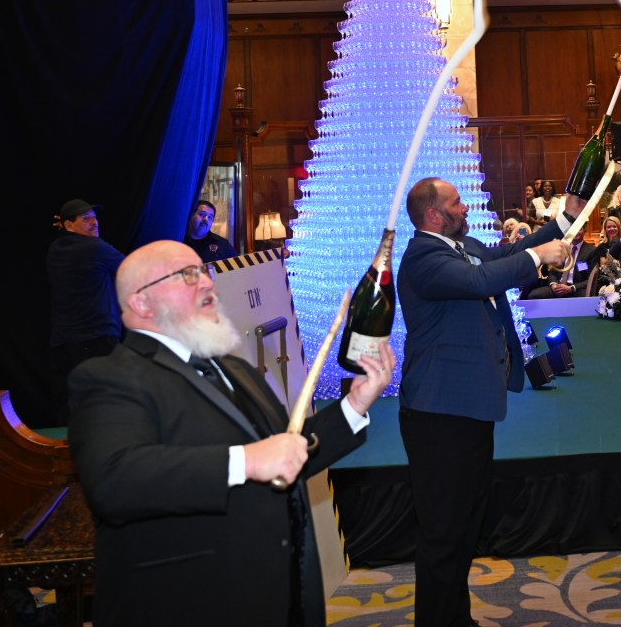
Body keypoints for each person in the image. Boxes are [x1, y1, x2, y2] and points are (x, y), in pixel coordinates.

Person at [69, 239, 393, 627]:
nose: (207, 282)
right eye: (187, 275)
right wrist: (247, 459)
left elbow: (283, 455)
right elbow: (115, 479)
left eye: (204, 271)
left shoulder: (232, 367)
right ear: (141, 302)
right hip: (188, 603)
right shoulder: (109, 377)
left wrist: (354, 406)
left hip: (277, 594)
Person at [396, 177, 576, 627]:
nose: (465, 207)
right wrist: (539, 258)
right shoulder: (423, 257)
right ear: (434, 215)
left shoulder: (462, 245)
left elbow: (500, 257)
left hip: (467, 410)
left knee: (461, 529)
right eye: (456, 203)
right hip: (438, 416)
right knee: (443, 535)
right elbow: (481, 279)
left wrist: (565, 219)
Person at [48, 199, 125, 423]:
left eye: (94, 217)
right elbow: (133, 268)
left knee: (72, 408)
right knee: (105, 404)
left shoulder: (55, 248)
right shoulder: (93, 248)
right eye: (86, 218)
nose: (94, 222)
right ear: (69, 225)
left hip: (63, 342)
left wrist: (64, 227)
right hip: (96, 338)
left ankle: (69, 454)